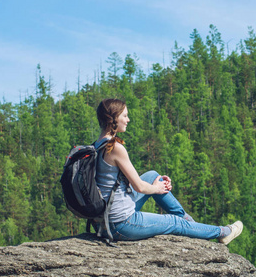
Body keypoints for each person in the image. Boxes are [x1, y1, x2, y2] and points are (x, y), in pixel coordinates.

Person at [93, 98, 242, 245]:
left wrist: (157, 185)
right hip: (119, 224)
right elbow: (140, 187)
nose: (128, 119)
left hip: (104, 220)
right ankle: (223, 232)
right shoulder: (115, 149)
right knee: (174, 222)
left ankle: (190, 224)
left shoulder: (97, 145)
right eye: (125, 116)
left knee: (152, 175)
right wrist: (157, 189)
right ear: (113, 118)